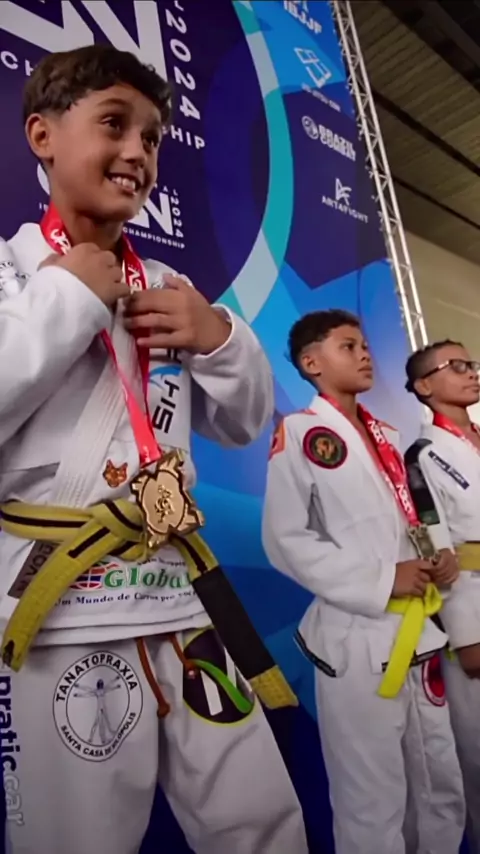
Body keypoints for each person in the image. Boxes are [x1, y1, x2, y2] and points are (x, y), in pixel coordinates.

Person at [0, 45, 308, 854]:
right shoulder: (11, 276)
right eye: (114, 124)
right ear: (42, 135)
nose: (137, 151)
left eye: (152, 137)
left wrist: (220, 338)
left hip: (182, 598)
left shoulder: (168, 288)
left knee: (264, 824)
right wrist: (67, 296)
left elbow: (242, 426)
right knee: (77, 839)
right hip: (66, 610)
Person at [262, 309, 465, 854]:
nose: (365, 354)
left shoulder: (387, 435)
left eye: (366, 345)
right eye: (348, 346)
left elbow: (411, 513)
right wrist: (382, 578)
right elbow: (285, 539)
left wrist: (437, 552)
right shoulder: (301, 433)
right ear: (312, 363)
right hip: (357, 639)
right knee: (372, 797)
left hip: (419, 632)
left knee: (440, 784)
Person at [405, 339, 480, 853]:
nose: (471, 372)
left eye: (471, 364)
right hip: (470, 607)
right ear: (424, 386)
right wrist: (466, 633)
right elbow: (437, 548)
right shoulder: (423, 456)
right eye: (457, 366)